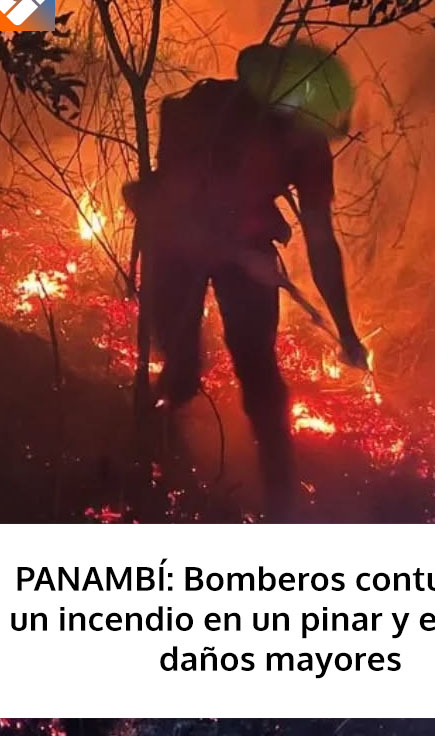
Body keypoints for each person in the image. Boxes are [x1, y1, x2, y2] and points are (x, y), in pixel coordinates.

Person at [124, 44, 368, 521]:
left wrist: (347, 330)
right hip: (176, 241)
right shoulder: (203, 115)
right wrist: (238, 254)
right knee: (180, 372)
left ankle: (283, 509)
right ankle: (149, 472)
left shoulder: (307, 144)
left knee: (263, 382)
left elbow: (320, 240)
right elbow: (171, 212)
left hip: (244, 243)